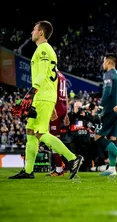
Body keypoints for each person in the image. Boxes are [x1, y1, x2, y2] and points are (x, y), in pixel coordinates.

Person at [9, 21, 83, 179]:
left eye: (34, 29)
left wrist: (31, 92)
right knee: (30, 131)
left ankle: (73, 158)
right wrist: (53, 105)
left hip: (41, 95)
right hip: (44, 96)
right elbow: (52, 78)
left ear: (41, 32)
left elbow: (42, 73)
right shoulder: (46, 50)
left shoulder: (43, 49)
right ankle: (28, 171)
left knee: (40, 133)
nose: (32, 32)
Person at [94, 53, 117, 176]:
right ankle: (112, 169)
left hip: (110, 110)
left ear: (109, 62)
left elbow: (108, 91)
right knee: (112, 138)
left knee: (98, 137)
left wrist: (99, 108)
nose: (103, 64)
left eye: (104, 61)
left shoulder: (108, 74)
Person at [47, 70, 70, 176]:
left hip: (55, 107)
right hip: (63, 107)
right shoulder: (63, 76)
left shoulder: (52, 73)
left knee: (54, 140)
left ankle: (59, 169)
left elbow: (51, 92)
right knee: (57, 139)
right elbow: (65, 95)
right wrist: (66, 112)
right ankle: (61, 166)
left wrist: (52, 109)